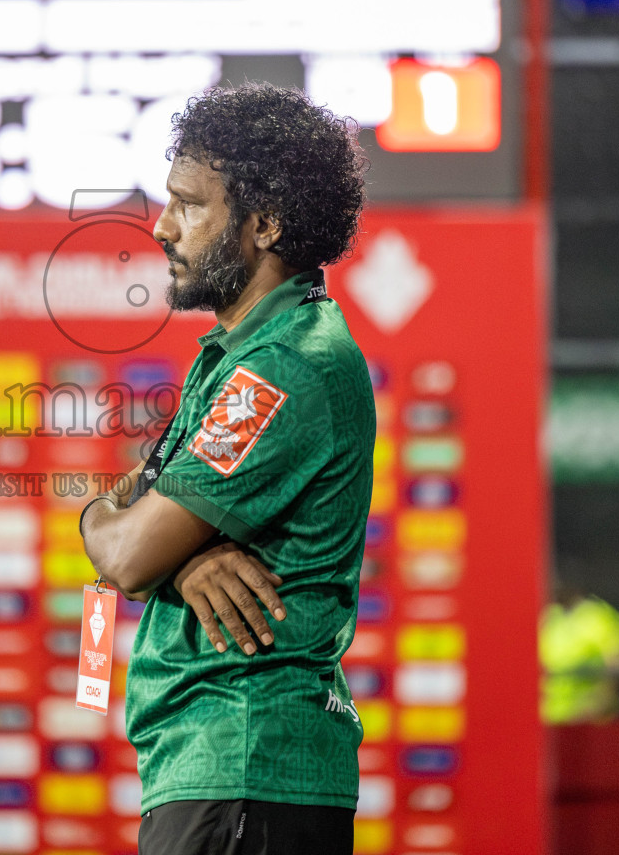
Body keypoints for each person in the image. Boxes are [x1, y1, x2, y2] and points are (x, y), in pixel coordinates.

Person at [79, 82, 373, 855]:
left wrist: (140, 544)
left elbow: (127, 550)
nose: (161, 225)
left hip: (245, 763)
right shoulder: (239, 354)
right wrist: (183, 559)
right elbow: (136, 527)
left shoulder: (280, 367)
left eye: (189, 206)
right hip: (226, 770)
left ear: (265, 224)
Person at [538, 580, 619, 723]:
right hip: (549, 722)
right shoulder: (548, 616)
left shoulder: (598, 616)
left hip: (587, 721)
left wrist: (597, 703)